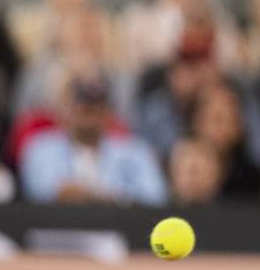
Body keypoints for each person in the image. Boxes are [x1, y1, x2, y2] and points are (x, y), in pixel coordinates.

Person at [20, 70, 166, 206]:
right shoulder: (41, 148)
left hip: (118, 224)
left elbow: (154, 196)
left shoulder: (134, 150)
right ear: (68, 109)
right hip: (59, 223)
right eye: (83, 109)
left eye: (95, 109)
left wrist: (93, 195)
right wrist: (111, 197)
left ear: (107, 112)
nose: (89, 117)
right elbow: (41, 191)